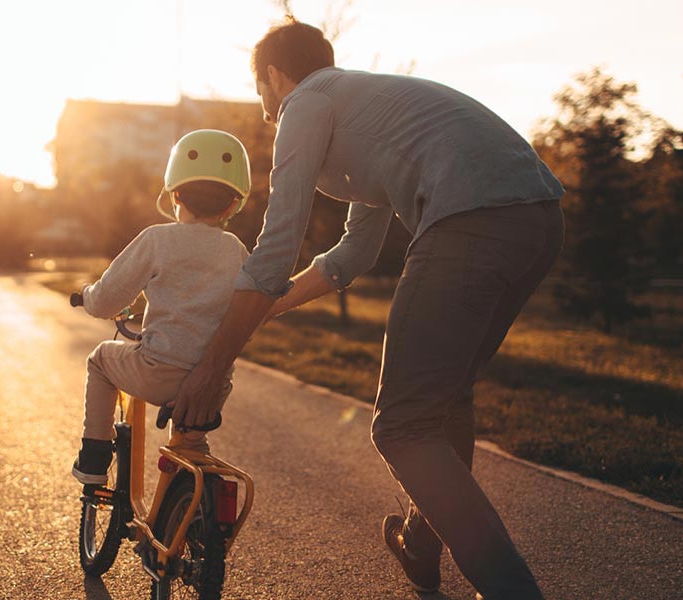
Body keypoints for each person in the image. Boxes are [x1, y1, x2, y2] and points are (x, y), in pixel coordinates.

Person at [168, 17, 564, 600]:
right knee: (443, 401)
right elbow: (353, 253)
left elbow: (278, 245)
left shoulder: (308, 102)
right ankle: (422, 546)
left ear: (276, 77)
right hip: (537, 218)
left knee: (402, 426)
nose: (263, 110)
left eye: (260, 92)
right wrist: (266, 311)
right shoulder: (364, 105)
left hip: (469, 220)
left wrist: (212, 363)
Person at [71, 129, 252, 493]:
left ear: (175, 194)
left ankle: (93, 459)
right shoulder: (236, 250)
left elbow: (107, 298)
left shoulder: (158, 239)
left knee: (101, 360)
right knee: (191, 447)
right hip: (213, 385)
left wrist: (89, 298)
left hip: (159, 374)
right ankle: (186, 509)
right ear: (233, 204)